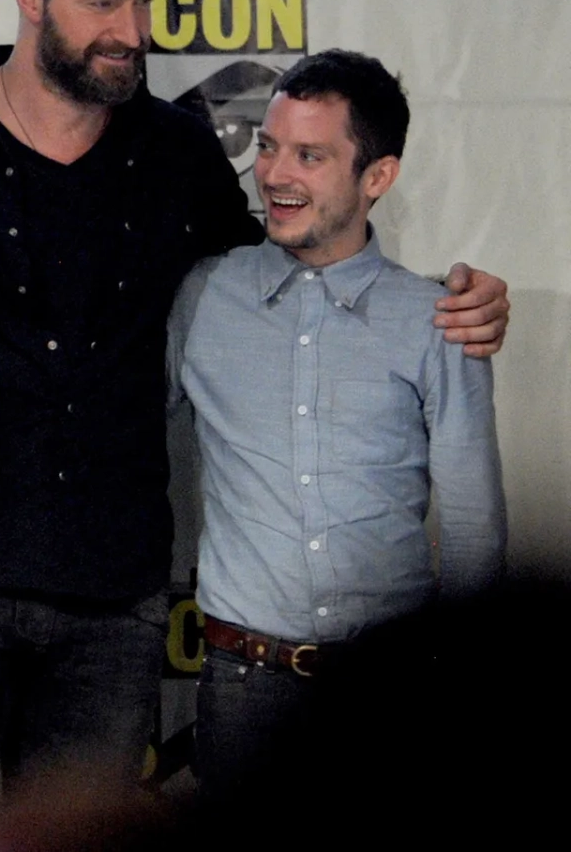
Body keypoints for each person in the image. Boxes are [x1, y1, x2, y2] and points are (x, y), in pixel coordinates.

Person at [0, 0, 511, 800]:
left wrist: (451, 301)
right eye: (102, 4)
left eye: (143, 1)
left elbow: (298, 285)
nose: (132, 30)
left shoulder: (181, 154)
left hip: (114, 610)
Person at [167, 49, 504, 796]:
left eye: (310, 156)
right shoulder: (203, 295)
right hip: (241, 687)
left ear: (377, 176)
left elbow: (475, 529)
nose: (275, 174)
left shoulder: (437, 319)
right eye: (269, 146)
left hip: (390, 690)